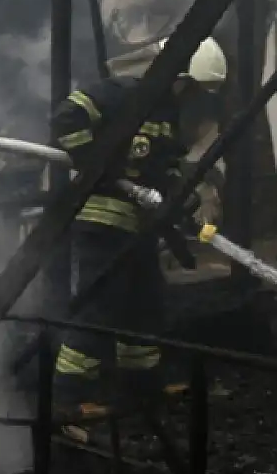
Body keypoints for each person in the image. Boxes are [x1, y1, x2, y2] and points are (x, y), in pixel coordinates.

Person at [48, 37, 227, 424]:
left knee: (144, 307)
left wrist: (183, 197)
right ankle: (66, 399)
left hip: (138, 226)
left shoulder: (166, 116)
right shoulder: (122, 94)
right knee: (98, 309)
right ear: (179, 78)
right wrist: (97, 163)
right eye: (193, 88)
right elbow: (66, 118)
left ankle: (142, 389)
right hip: (102, 221)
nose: (193, 96)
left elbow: (167, 168)